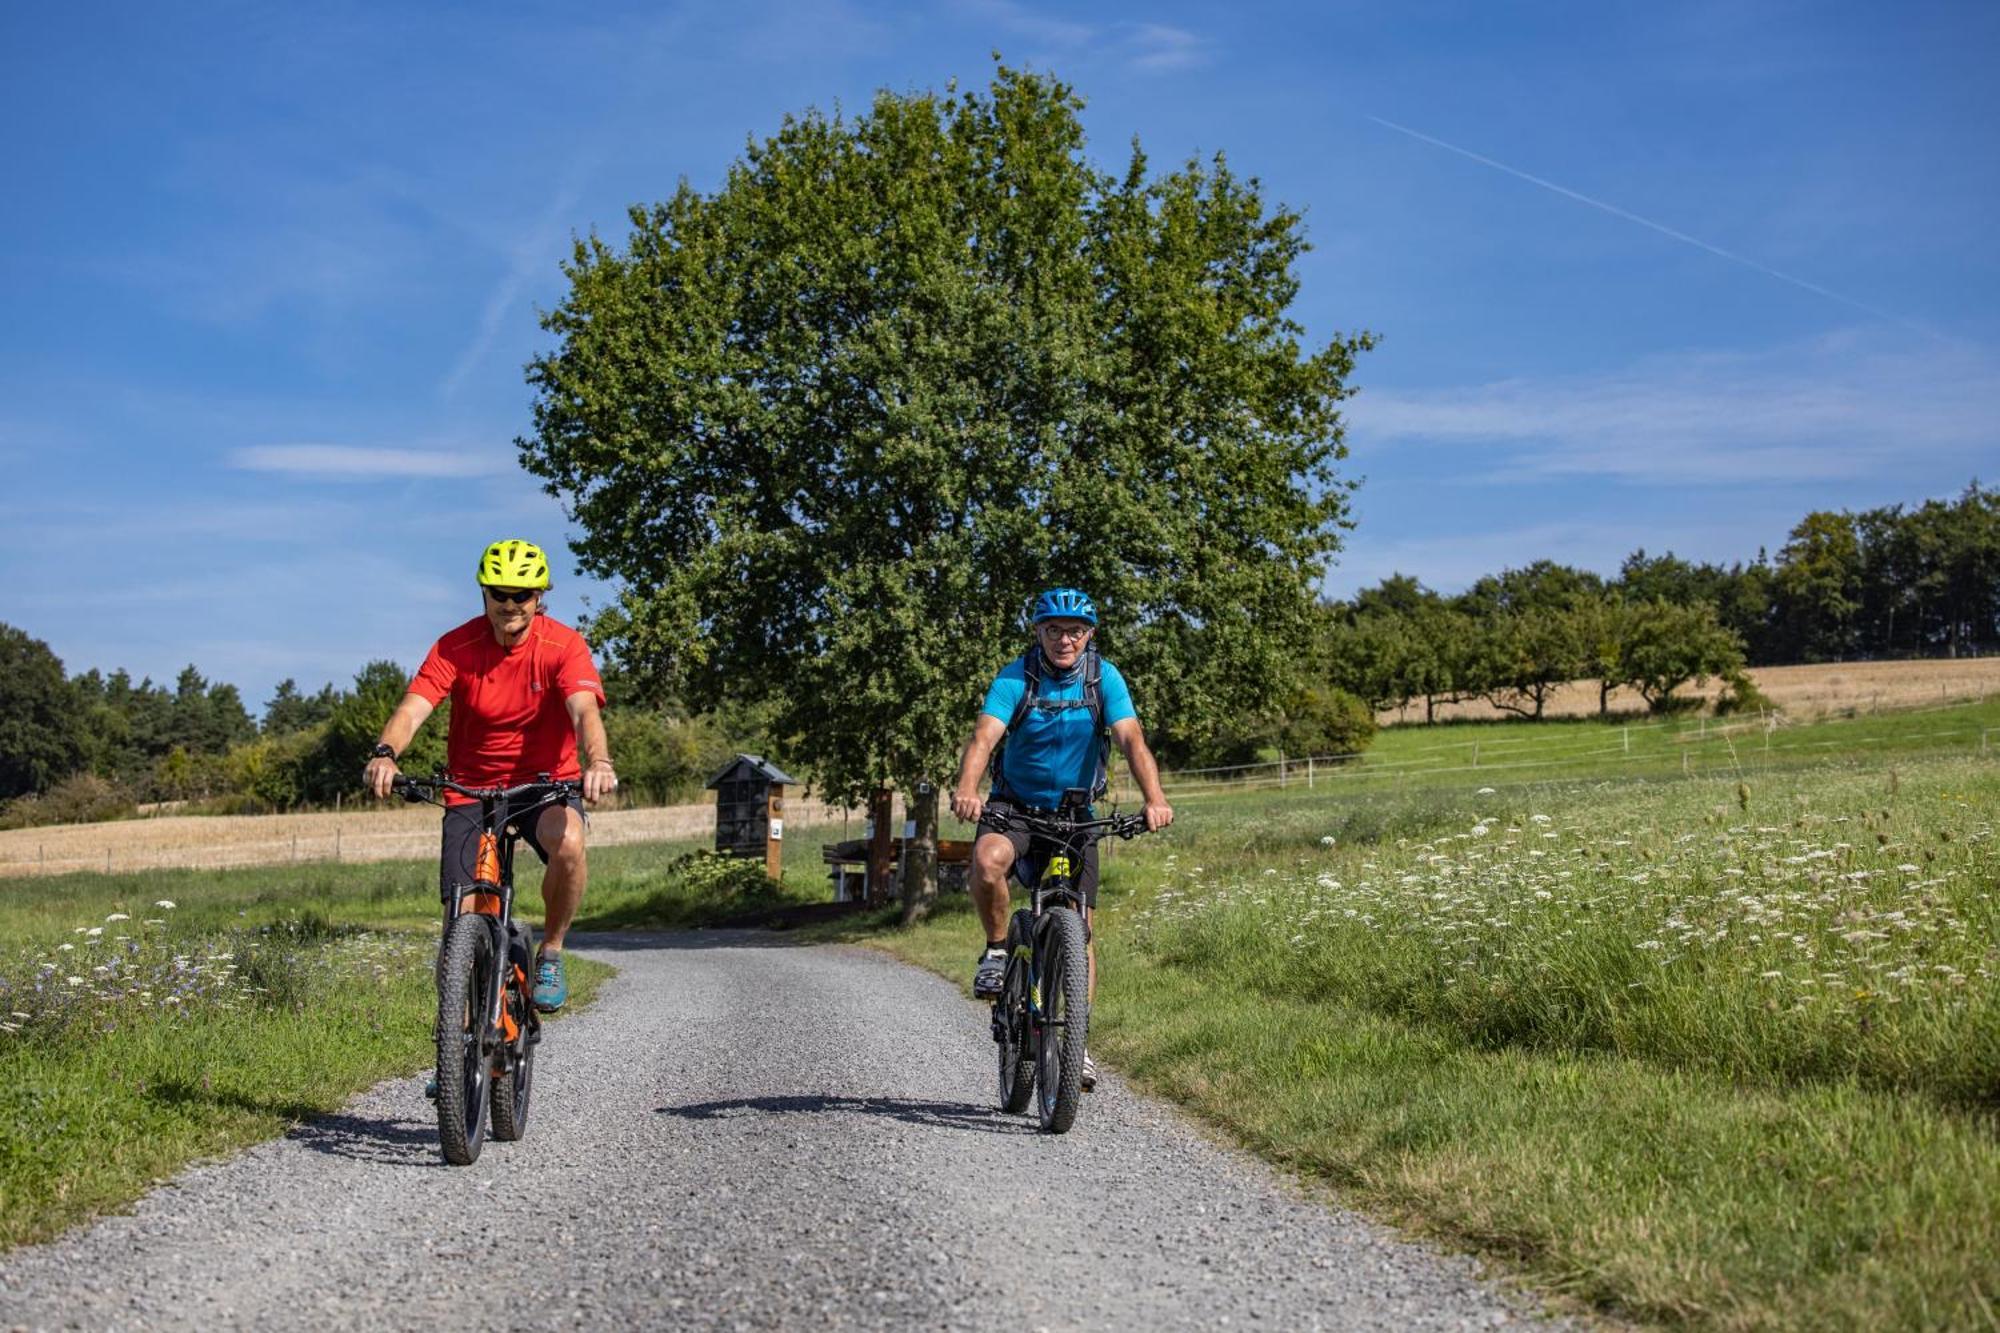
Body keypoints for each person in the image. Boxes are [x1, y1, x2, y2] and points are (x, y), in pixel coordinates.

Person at [363, 538, 616, 1013]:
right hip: (472, 787)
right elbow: (412, 711)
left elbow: (583, 712)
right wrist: (385, 754)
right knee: (462, 918)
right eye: (499, 593)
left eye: (522, 594)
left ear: (541, 597)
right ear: (484, 594)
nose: (509, 604)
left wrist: (598, 762)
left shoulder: (564, 646)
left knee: (571, 843)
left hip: (545, 784)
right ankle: (455, 1042)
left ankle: (552, 952)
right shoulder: (455, 646)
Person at [949, 587, 1173, 1091]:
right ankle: (997, 951)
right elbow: (984, 737)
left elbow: (1130, 738)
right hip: (1014, 808)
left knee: (1079, 926)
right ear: (1039, 633)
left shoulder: (1102, 677)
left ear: (1089, 634)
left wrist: (1155, 798)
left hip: (1075, 815)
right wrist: (967, 789)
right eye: (1053, 629)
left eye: (1074, 630)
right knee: (987, 863)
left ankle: (1077, 1041)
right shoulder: (1015, 677)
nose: (1064, 639)